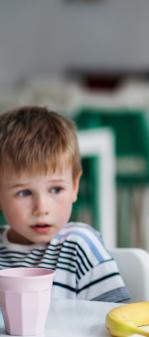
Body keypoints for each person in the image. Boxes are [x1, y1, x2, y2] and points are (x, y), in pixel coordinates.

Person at [0, 106, 130, 302]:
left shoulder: (79, 246)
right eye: (24, 193)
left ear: (74, 187)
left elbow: (117, 318)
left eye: (55, 190)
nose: (42, 208)